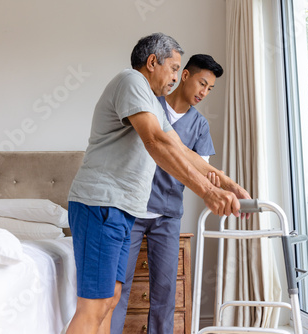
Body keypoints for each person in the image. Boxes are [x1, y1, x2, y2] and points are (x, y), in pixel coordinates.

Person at [66, 33, 250, 334]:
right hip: (100, 204)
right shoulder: (131, 81)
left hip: (121, 209)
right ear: (153, 62)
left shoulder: (150, 102)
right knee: (94, 305)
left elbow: (180, 149)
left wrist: (227, 183)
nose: (176, 77)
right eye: (174, 68)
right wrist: (207, 191)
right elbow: (155, 141)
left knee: (109, 301)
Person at [110, 54, 224, 334]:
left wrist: (211, 181)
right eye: (201, 83)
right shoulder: (149, 106)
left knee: (165, 292)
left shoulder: (200, 125)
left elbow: (202, 169)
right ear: (184, 75)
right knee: (118, 287)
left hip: (168, 216)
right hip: (133, 210)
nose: (203, 92)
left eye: (209, 89)